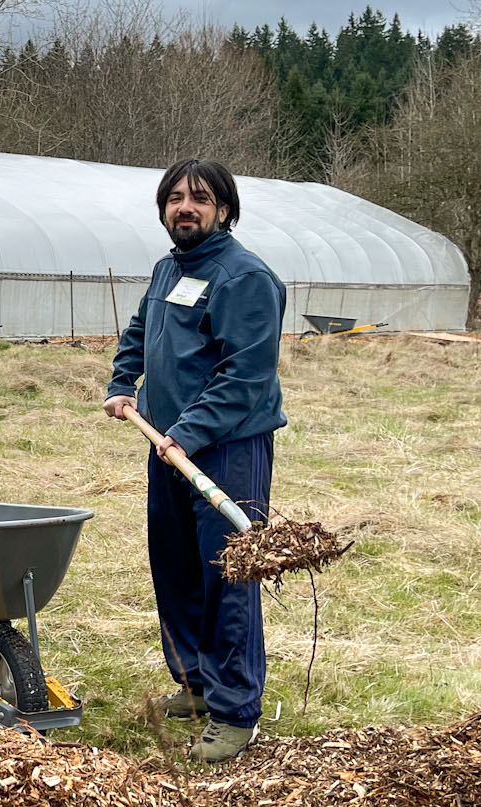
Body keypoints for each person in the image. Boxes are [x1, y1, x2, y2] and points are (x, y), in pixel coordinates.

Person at [103, 159, 285, 764]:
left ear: (224, 210)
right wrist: (123, 379)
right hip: (166, 441)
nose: (186, 207)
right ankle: (198, 683)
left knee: (228, 574)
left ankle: (236, 711)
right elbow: (140, 329)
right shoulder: (167, 269)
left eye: (200, 199)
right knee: (177, 567)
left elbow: (245, 374)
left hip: (225, 447)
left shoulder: (245, 278)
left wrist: (187, 433)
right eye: (175, 197)